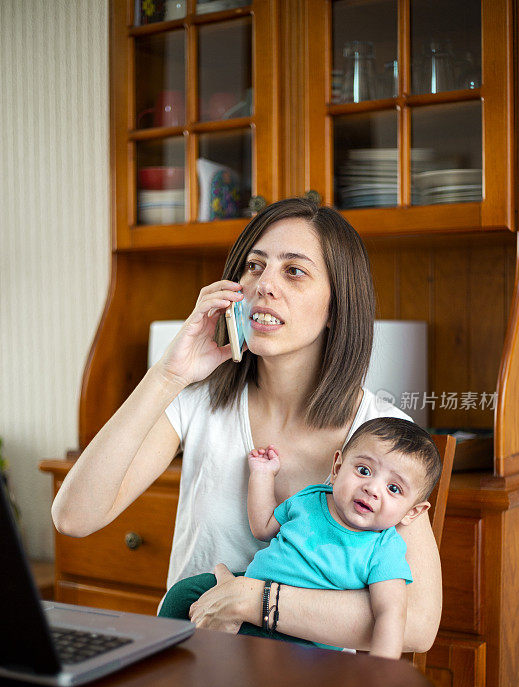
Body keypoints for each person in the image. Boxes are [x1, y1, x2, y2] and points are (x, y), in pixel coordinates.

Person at [52, 196, 442, 655]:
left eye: (293, 271)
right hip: (195, 671)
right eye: (254, 267)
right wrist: (169, 375)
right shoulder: (199, 401)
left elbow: (415, 625)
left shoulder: (383, 440)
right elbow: (73, 517)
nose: (263, 286)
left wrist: (255, 600)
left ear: (337, 307)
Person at [159, 417, 442, 659]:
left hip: (297, 635)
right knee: (182, 595)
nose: (372, 488)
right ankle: (162, 678)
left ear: (413, 512)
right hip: (249, 584)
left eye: (393, 488)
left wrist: (378, 672)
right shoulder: (311, 499)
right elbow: (263, 527)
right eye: (364, 471)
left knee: (243, 664)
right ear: (337, 466)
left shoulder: (384, 549)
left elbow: (390, 615)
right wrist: (262, 475)